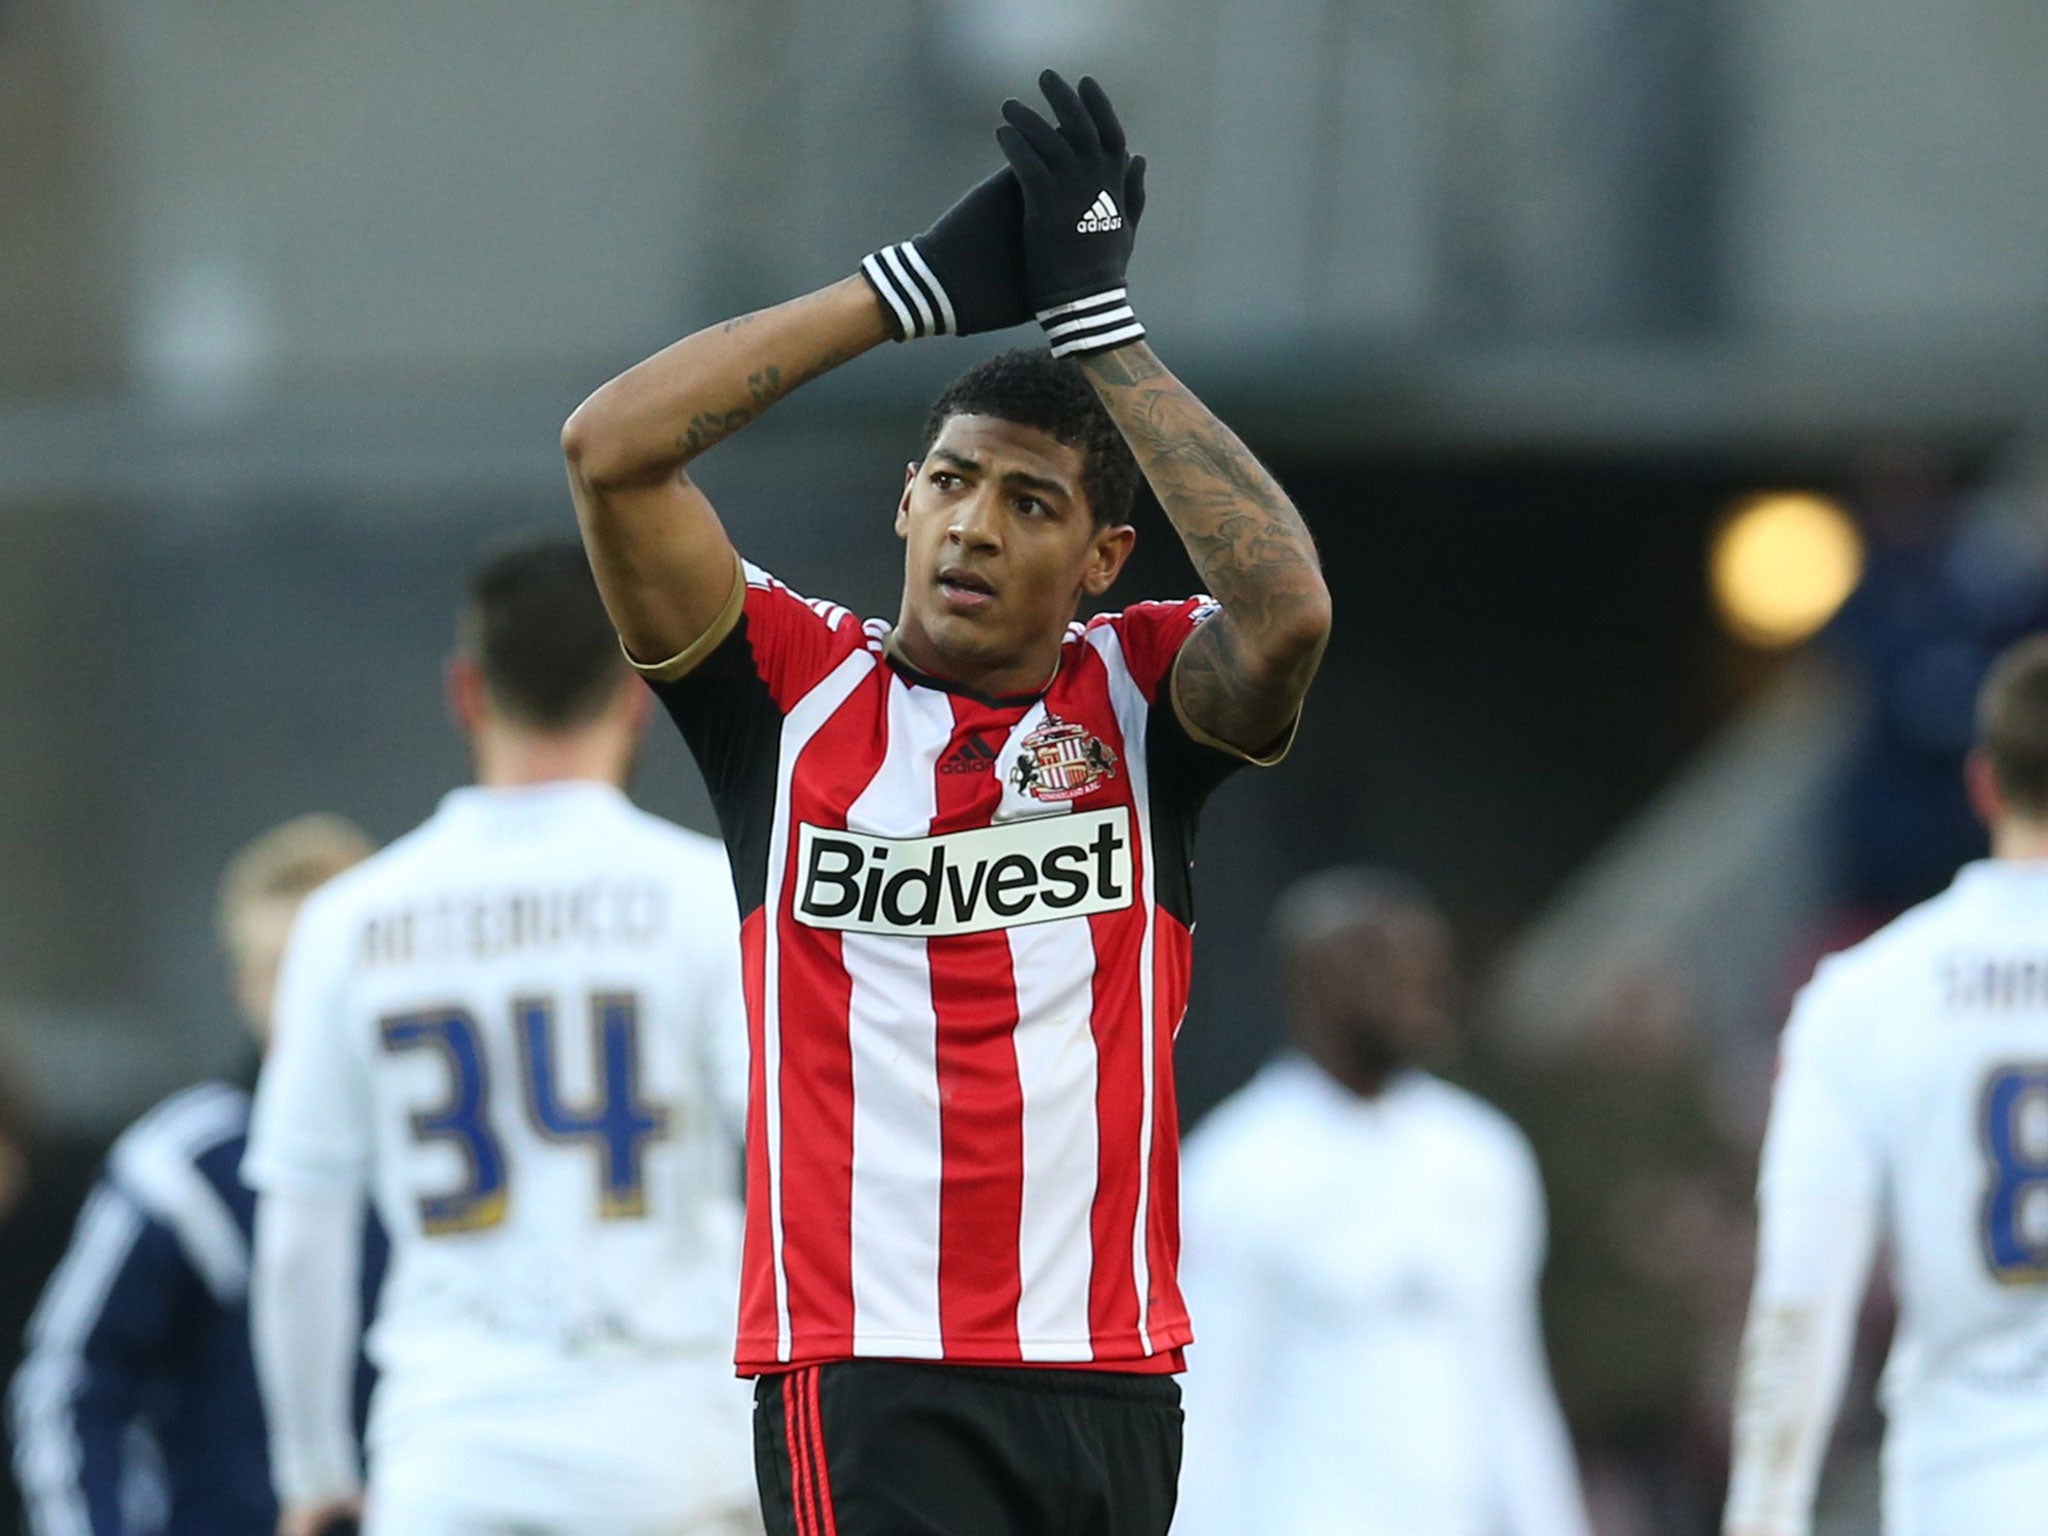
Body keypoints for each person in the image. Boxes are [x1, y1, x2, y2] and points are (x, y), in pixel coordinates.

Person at [561, 69, 1330, 1536]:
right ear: (906, 499)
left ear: (1105, 558)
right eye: (954, 483)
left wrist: (1101, 329)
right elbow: (611, 451)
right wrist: (905, 293)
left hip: (1109, 1377)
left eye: (1030, 504)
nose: (976, 526)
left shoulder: (1140, 698)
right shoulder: (783, 689)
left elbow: (1288, 612)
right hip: (868, 1370)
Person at [242, 540, 757, 1536]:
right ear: (634, 695)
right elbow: (797, 1170)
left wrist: (311, 1471)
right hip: (672, 1458)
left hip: (453, 1458)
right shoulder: (704, 897)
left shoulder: (350, 919)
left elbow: (300, 1238)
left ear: (465, 690)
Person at [1723, 632, 2048, 1536]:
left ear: (1983, 783)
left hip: (1966, 1485)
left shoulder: (1865, 994)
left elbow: (1799, 1305)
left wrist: (1763, 1515)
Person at [1172, 868, 1589, 1536]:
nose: (1419, 988)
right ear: (1311, 984)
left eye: (1429, 967)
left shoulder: (1482, 1154)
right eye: (1384, 967)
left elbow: (1512, 1381)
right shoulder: (1236, 1169)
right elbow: (1211, 1404)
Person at [8, 814, 375, 1536]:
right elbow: (71, 1387)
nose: (302, 996)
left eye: (325, 964)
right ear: (241, 982)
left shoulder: (449, 1147)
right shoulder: (187, 1168)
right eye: (276, 970)